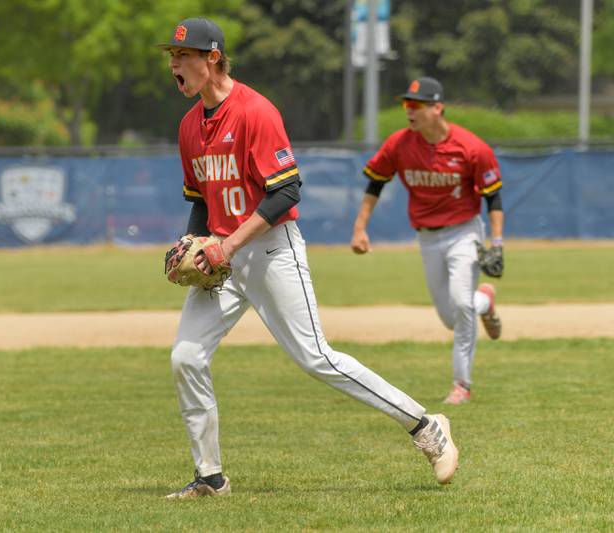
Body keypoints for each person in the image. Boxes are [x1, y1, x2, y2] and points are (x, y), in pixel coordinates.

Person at [159, 18, 458, 499]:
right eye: (171, 57)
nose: (173, 64)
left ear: (212, 58)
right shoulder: (190, 126)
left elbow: (286, 192)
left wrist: (229, 245)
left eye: (182, 55)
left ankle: (425, 425)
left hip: (271, 248)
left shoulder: (255, 111)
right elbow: (200, 197)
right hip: (223, 257)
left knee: (317, 358)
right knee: (186, 358)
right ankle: (210, 477)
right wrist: (192, 245)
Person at [350, 76, 505, 406]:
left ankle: (461, 384)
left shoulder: (471, 147)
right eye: (407, 104)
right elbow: (375, 183)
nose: (409, 111)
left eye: (416, 105)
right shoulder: (399, 144)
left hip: (464, 232)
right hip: (427, 237)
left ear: (437, 108)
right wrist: (360, 228)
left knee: (461, 305)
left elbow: (494, 197)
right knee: (452, 318)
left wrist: (498, 241)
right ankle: (486, 302)